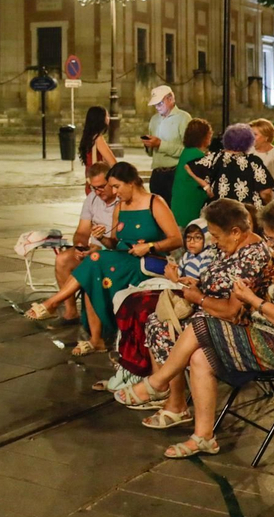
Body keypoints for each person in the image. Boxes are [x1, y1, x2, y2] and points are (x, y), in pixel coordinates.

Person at [124, 198, 274, 459]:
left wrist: (252, 300)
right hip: (266, 334)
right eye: (267, 238)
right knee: (200, 356)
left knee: (201, 321)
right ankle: (204, 437)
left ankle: (157, 383)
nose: (269, 246)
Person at [26, 162, 181, 356]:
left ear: (131, 182)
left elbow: (176, 239)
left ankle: (53, 303)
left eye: (117, 186)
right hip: (122, 259)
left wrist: (150, 245)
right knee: (94, 268)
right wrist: (100, 237)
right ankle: (96, 339)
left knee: (96, 261)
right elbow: (114, 244)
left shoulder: (155, 202)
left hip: (146, 262)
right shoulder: (121, 207)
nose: (114, 192)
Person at [50, 160, 120, 321]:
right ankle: (70, 312)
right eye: (93, 188)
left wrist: (100, 246)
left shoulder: (121, 200)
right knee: (63, 260)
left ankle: (52, 303)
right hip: (92, 249)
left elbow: (120, 239)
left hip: (111, 251)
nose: (97, 191)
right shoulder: (92, 199)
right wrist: (80, 246)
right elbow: (82, 231)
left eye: (101, 187)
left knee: (93, 263)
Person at [186, 122, 274, 214]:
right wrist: (269, 205)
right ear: (249, 141)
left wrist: (207, 187)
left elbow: (189, 167)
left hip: (219, 212)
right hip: (246, 213)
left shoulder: (215, 157)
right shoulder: (253, 162)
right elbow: (266, 192)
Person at [141, 85, 191, 203]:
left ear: (170, 99)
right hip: (157, 173)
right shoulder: (154, 119)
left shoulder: (183, 118)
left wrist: (160, 144)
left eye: (160, 103)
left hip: (175, 173)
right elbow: (151, 153)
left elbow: (187, 150)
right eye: (155, 105)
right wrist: (148, 145)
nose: (157, 107)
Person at [169, 119, 214, 226]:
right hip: (191, 206)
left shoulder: (187, 152)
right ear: (204, 136)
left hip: (179, 205)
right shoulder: (197, 156)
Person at [78, 107, 117, 194]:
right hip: (100, 186)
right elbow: (113, 163)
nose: (109, 118)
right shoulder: (98, 138)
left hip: (90, 183)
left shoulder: (88, 137)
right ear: (100, 119)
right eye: (107, 115)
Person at [249, 118, 274, 192]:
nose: (251, 137)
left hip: (269, 196)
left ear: (266, 137)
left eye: (255, 134)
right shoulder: (247, 152)